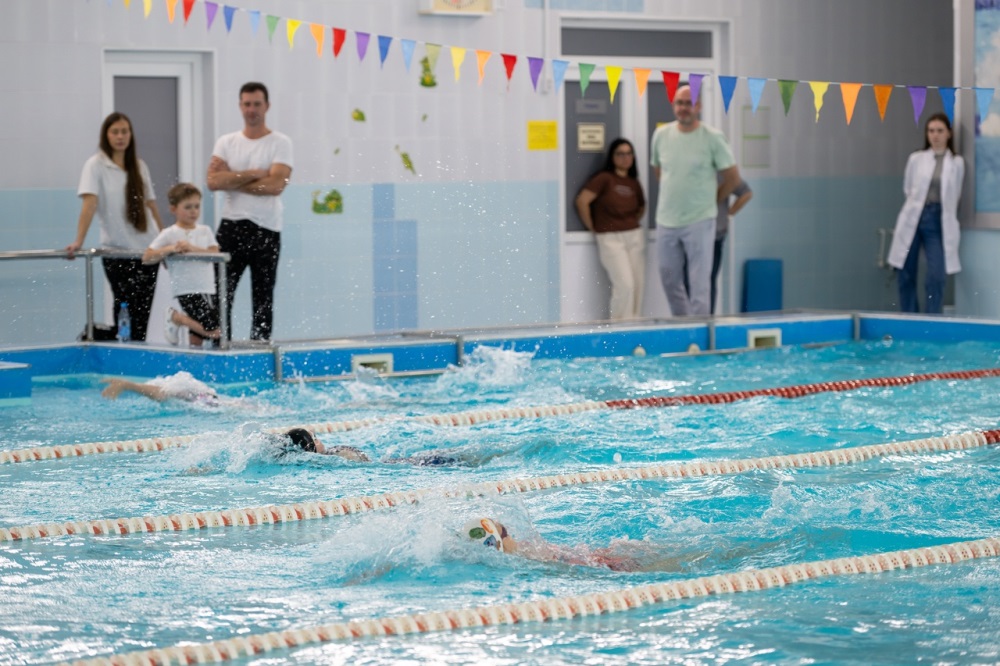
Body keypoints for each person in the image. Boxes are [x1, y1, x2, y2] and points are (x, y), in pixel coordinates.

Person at [207, 82, 294, 341]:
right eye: (247, 104)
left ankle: (259, 350)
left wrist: (232, 178)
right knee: (222, 294)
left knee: (263, 297)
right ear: (240, 106)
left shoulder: (280, 143)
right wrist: (255, 175)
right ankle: (223, 347)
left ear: (266, 106)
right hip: (231, 227)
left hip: (267, 228)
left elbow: (277, 185)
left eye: (257, 104)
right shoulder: (226, 142)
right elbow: (213, 182)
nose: (251, 109)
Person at [68, 112, 165, 341]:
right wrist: (78, 241)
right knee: (124, 312)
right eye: (115, 132)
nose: (120, 136)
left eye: (125, 131)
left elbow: (151, 205)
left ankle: (135, 363)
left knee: (142, 315)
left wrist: (164, 240)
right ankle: (99, 338)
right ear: (106, 135)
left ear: (130, 135)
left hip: (146, 252)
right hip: (116, 253)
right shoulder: (96, 165)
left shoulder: (139, 166)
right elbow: (89, 204)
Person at [650, 84, 740, 316]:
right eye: (679, 103)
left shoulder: (713, 137)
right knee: (669, 280)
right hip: (666, 220)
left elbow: (732, 179)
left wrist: (712, 201)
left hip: (700, 220)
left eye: (689, 103)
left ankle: (700, 335)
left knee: (700, 285)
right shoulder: (661, 135)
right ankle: (683, 327)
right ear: (673, 106)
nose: (683, 108)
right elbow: (659, 172)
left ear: (698, 106)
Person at [887, 112, 964, 314]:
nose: (935, 135)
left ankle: (932, 319)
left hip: (938, 221)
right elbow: (908, 189)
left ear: (949, 133)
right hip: (914, 217)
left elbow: (955, 195)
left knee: (937, 275)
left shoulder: (956, 163)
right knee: (905, 271)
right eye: (931, 131)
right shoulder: (916, 159)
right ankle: (910, 316)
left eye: (939, 131)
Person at [574, 138, 647, 320]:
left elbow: (641, 207)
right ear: (612, 157)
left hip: (634, 236)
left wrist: (629, 222)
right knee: (625, 284)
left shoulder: (633, 182)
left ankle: (635, 326)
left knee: (638, 284)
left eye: (629, 153)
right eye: (620, 154)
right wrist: (593, 226)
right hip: (611, 238)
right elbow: (582, 201)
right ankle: (620, 328)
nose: (625, 158)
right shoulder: (604, 179)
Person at [142, 183, 221, 348]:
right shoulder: (169, 234)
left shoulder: (204, 231)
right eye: (187, 207)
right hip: (185, 288)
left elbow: (215, 254)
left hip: (206, 288)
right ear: (174, 209)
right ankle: (176, 318)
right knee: (216, 333)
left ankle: (194, 365)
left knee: (198, 335)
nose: (193, 211)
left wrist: (193, 248)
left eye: (196, 206)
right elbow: (147, 257)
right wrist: (171, 248)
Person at [463, 517, 648, 572]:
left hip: (582, 560)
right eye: (505, 532)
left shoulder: (522, 556)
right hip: (584, 561)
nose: (509, 531)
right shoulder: (527, 554)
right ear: (501, 544)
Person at [684, 175, 753, 314]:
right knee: (688, 280)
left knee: (708, 281)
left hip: (714, 235)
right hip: (691, 234)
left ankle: (707, 321)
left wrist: (729, 214)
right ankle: (689, 320)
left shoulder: (722, 173)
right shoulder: (690, 171)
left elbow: (746, 193)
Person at [281, 428, 467, 466]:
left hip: (389, 464)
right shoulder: (335, 457)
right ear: (311, 447)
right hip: (394, 465)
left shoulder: (327, 458)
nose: (320, 439)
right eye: (316, 438)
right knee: (445, 459)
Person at [100, 371, 219, 403]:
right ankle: (129, 385)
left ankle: (129, 385)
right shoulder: (206, 401)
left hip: (208, 399)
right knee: (168, 392)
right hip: (208, 400)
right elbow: (163, 393)